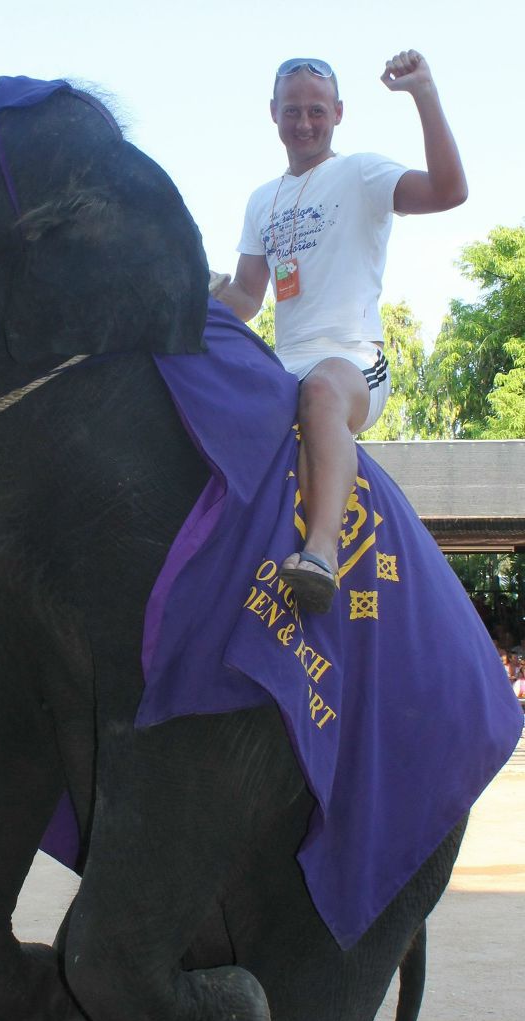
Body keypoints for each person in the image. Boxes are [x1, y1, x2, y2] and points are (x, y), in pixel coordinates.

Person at [214, 51, 467, 611]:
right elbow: (246, 298)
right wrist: (186, 305)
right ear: (272, 113)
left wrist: (424, 92)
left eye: (316, 111)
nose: (304, 123)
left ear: (339, 113)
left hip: (351, 364)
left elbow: (450, 191)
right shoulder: (262, 200)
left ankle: (321, 553)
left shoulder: (362, 173)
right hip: (284, 369)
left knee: (322, 390)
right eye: (292, 111)